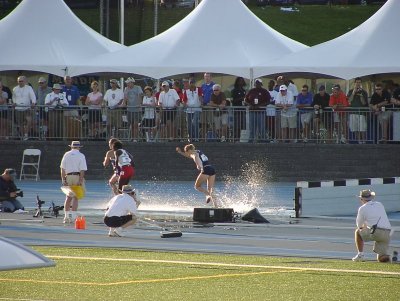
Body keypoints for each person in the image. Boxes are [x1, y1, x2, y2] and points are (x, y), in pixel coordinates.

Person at [353, 189, 391, 263]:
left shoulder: (362, 208)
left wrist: (365, 225)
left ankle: (360, 255)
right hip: (387, 233)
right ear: (371, 197)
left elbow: (359, 225)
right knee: (381, 258)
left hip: (376, 232)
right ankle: (391, 258)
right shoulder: (379, 204)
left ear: (361, 199)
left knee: (358, 232)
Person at [60, 141, 87, 224]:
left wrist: (63, 179)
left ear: (71, 147)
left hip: (68, 176)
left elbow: (62, 168)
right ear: (79, 147)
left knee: (68, 197)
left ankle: (66, 217)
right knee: (76, 197)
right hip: (77, 176)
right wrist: (80, 180)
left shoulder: (66, 154)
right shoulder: (81, 155)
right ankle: (73, 216)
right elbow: (82, 169)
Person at [245, 78, 271, 143]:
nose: (257, 84)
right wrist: (250, 105)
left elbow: (268, 101)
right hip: (252, 111)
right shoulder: (251, 91)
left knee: (261, 126)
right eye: (256, 83)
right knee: (252, 127)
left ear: (261, 84)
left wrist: (260, 105)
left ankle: (263, 139)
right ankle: (251, 139)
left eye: (258, 83)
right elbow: (245, 100)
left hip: (261, 111)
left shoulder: (265, 91)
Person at [12, 75, 37, 140]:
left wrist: (33, 102)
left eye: (21, 81)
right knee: (20, 124)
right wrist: (14, 102)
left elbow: (33, 96)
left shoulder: (29, 88)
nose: (20, 82)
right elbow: (13, 97)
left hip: (27, 108)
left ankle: (26, 134)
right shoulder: (15, 89)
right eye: (19, 81)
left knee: (29, 121)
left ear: (25, 81)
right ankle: (23, 136)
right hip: (18, 108)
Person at [347, 77, 369, 144]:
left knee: (362, 129)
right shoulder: (350, 91)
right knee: (355, 128)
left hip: (361, 113)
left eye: (359, 82)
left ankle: (364, 141)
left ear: (361, 83)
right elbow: (349, 101)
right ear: (355, 83)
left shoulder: (364, 92)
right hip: (353, 112)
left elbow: (364, 103)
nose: (358, 84)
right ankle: (359, 141)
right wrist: (353, 93)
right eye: (357, 82)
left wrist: (361, 96)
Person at [124, 77, 143, 142]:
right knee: (131, 124)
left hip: (137, 109)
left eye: (128, 83)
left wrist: (139, 104)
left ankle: (135, 138)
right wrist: (123, 104)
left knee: (135, 124)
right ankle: (132, 138)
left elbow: (140, 96)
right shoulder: (126, 88)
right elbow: (125, 97)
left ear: (132, 82)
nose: (127, 84)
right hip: (129, 109)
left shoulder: (138, 87)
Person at [231, 77, 247, 142]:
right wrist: (242, 98)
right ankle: (235, 138)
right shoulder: (234, 90)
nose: (241, 82)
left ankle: (241, 138)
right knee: (236, 125)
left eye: (242, 81)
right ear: (237, 82)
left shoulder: (244, 90)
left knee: (242, 125)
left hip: (243, 111)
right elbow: (233, 100)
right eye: (240, 81)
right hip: (237, 110)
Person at [201, 73, 215, 139]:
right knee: (203, 123)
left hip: (210, 107)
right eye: (205, 76)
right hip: (203, 107)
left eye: (208, 76)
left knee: (212, 122)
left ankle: (214, 136)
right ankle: (203, 138)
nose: (207, 78)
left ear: (211, 77)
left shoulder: (214, 85)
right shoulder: (202, 86)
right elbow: (201, 95)